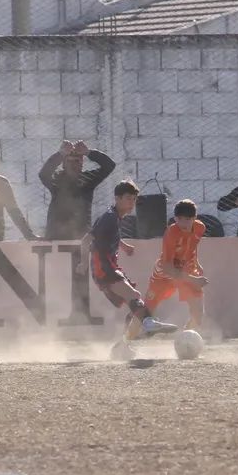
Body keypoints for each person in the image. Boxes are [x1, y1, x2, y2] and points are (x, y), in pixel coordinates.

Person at [75, 179, 178, 360]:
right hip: (103, 268)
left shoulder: (114, 217)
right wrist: (83, 263)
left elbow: (107, 235)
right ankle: (147, 324)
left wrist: (123, 246)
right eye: (128, 199)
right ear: (118, 198)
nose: (132, 204)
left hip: (109, 266)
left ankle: (124, 345)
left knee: (135, 300)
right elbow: (86, 240)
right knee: (134, 298)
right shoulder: (108, 217)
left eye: (134, 200)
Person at [126, 199, 210, 341]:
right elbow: (167, 266)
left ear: (195, 218)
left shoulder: (200, 228)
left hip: (187, 269)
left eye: (188, 219)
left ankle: (186, 342)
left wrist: (197, 264)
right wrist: (193, 279)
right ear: (175, 218)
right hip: (163, 274)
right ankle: (124, 343)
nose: (183, 223)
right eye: (179, 219)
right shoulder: (171, 233)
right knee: (146, 313)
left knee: (198, 314)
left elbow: (192, 247)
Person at [39, 140, 116, 241]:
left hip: (80, 236)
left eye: (76, 161)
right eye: (69, 161)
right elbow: (43, 174)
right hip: (56, 236)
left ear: (82, 164)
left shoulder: (88, 179)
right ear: (63, 164)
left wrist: (88, 152)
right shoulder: (57, 180)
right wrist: (60, 154)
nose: (72, 165)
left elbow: (109, 165)